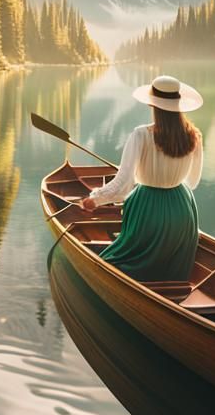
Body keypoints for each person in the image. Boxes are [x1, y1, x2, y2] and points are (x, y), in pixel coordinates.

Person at [81, 74, 203, 282]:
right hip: (183, 209)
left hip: (148, 208)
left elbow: (123, 184)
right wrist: (168, 177)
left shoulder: (141, 135)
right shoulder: (194, 135)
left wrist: (94, 199)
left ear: (152, 105)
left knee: (115, 262)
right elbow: (192, 181)